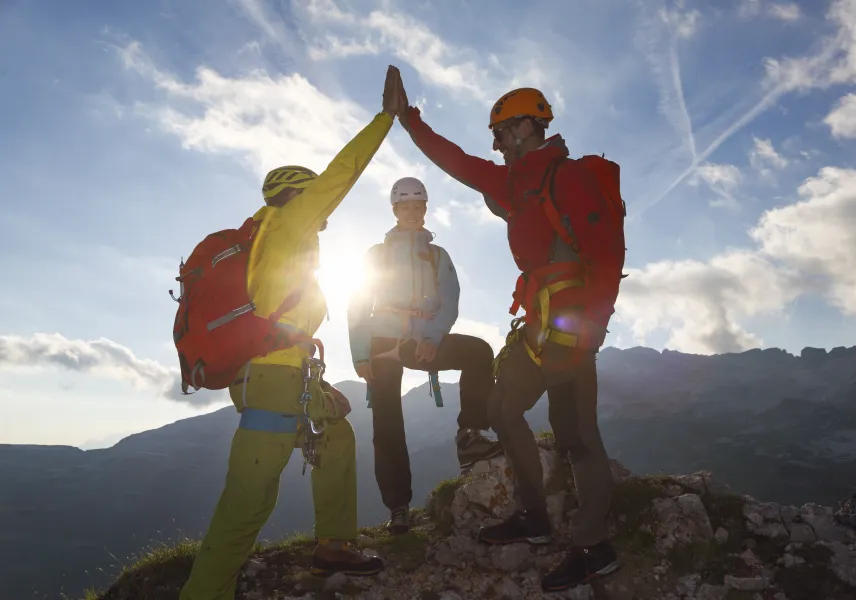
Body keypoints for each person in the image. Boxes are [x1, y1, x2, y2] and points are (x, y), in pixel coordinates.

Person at [383, 67, 627, 592]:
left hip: (571, 325)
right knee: (500, 407)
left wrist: (594, 326)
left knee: (577, 437)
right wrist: (409, 120)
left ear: (528, 128)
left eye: (501, 133)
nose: (494, 145)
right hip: (538, 326)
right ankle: (536, 518)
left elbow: (606, 253)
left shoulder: (570, 176)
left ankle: (592, 546)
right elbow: (458, 163)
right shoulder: (514, 182)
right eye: (494, 137)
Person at [178, 67, 404, 600]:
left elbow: (283, 325)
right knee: (247, 504)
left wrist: (316, 383)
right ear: (296, 195)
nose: (322, 217)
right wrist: (386, 119)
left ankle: (333, 546)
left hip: (285, 377)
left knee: (336, 437)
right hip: (272, 384)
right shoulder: (288, 224)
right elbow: (341, 173)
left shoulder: (270, 239)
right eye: (312, 203)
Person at [347, 175, 503, 535]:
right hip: (382, 342)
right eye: (405, 206)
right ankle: (398, 507)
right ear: (395, 210)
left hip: (420, 340)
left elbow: (449, 300)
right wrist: (359, 354)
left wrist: (432, 337)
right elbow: (358, 306)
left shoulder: (437, 255)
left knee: (479, 351)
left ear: (425, 209)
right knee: (387, 422)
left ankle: (471, 434)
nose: (413, 212)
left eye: (419, 206)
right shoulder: (377, 254)